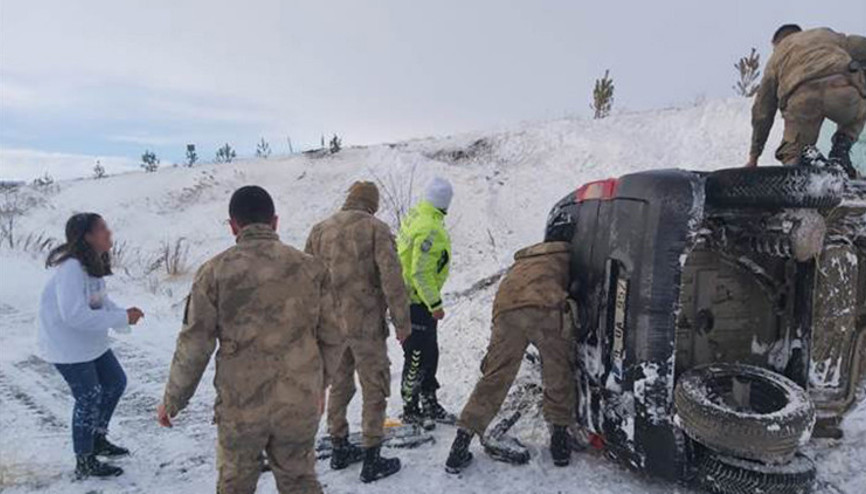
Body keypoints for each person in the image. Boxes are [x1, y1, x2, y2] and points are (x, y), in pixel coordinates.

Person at [156, 186, 344, 494]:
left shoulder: (213, 273)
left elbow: (195, 344)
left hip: (240, 406)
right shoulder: (312, 269)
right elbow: (334, 336)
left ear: (233, 225)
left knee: (235, 484)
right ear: (275, 222)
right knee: (300, 480)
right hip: (298, 401)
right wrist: (320, 383)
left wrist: (172, 401)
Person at [304, 181, 412, 483]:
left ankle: (339, 447)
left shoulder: (319, 230)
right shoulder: (375, 228)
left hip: (331, 327)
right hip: (365, 325)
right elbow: (392, 278)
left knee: (340, 384)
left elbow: (307, 279)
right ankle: (372, 456)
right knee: (374, 385)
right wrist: (402, 323)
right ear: (371, 204)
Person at [445, 238, 576, 473]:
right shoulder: (566, 255)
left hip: (506, 311)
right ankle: (559, 443)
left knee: (495, 378)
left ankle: (460, 445)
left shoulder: (522, 261)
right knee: (557, 371)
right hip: (546, 310)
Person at [38, 213, 144, 479]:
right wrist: (121, 318)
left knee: (115, 382)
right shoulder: (71, 268)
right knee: (89, 396)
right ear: (87, 236)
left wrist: (124, 314)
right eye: (102, 228)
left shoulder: (91, 263)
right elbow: (73, 314)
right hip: (66, 346)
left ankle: (97, 439)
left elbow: (100, 302)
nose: (108, 232)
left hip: (88, 342)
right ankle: (84, 459)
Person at [747, 24, 866, 177]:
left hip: (802, 99)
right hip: (843, 91)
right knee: (861, 105)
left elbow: (762, 111)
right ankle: (840, 152)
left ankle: (805, 164)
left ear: (776, 43)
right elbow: (861, 45)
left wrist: (754, 156)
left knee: (790, 153)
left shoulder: (777, 55)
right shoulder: (825, 35)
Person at [397, 177, 455, 427]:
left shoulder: (415, 216)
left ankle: (429, 402)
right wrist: (435, 304)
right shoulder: (431, 228)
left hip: (408, 300)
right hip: (417, 303)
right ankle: (411, 409)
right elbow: (420, 271)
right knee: (418, 356)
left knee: (429, 353)